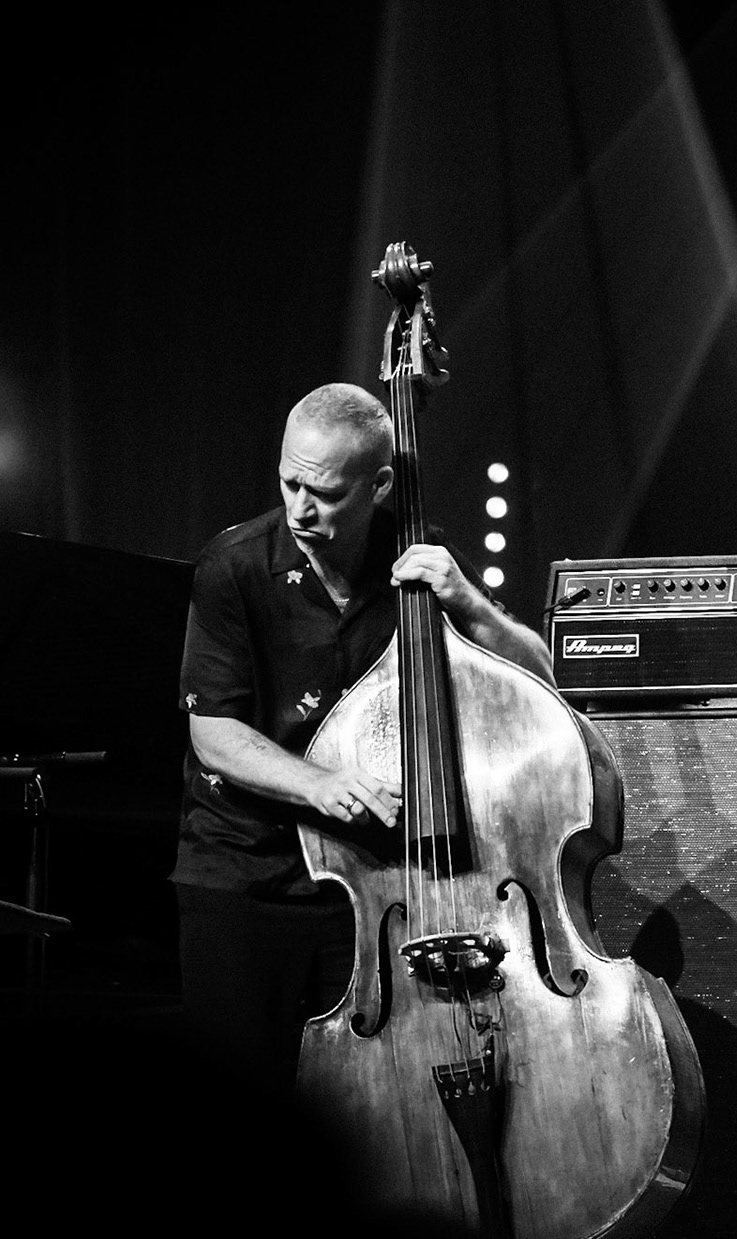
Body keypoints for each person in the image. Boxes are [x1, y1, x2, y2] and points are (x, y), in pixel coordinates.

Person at [172, 382, 553, 1086]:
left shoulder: (419, 556)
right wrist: (319, 784)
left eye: (325, 493)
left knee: (370, 1103)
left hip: (377, 887)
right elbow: (214, 732)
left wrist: (472, 605)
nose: (300, 509)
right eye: (289, 484)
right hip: (244, 875)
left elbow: (535, 682)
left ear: (379, 485)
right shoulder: (234, 566)